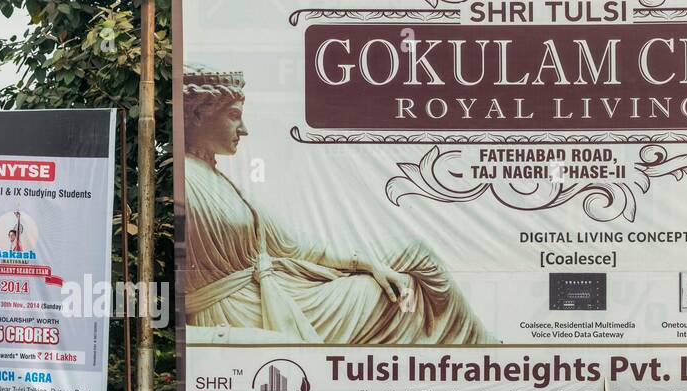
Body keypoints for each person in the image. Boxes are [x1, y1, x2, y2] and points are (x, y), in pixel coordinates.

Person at [181, 66, 491, 345]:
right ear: (198, 115)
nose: (244, 129)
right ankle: (479, 355)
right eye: (234, 116)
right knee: (395, 294)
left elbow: (294, 247)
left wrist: (370, 265)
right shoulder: (188, 181)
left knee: (414, 251)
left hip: (281, 285)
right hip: (249, 308)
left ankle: (480, 346)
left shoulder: (213, 175)